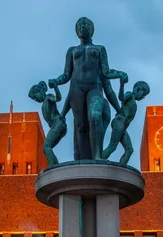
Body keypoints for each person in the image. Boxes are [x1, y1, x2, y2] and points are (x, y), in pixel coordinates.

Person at [49, 17, 127, 160]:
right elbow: (66, 75)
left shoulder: (99, 49)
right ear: (76, 31)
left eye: (86, 25)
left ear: (92, 30)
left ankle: (97, 155)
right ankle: (83, 158)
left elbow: (106, 72)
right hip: (76, 88)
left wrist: (119, 75)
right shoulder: (72, 51)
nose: (82, 27)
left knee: (95, 116)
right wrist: (56, 81)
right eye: (79, 25)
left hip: (95, 86)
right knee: (80, 125)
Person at [102, 78, 150, 165]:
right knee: (113, 146)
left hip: (123, 126)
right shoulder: (130, 95)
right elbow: (121, 98)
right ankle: (99, 160)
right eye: (144, 93)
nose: (143, 97)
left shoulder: (134, 104)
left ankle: (120, 170)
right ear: (138, 89)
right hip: (119, 121)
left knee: (129, 149)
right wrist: (122, 84)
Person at [28, 80, 67, 166]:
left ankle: (52, 167)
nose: (35, 99)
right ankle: (56, 167)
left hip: (58, 124)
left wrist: (55, 87)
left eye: (35, 96)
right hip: (58, 125)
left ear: (40, 91)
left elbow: (58, 98)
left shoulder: (48, 97)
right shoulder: (43, 106)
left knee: (46, 146)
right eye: (33, 99)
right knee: (48, 148)